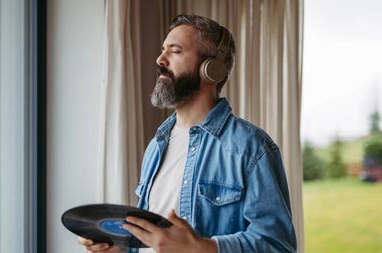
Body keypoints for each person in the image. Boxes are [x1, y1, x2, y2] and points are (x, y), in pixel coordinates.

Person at [78, 14, 297, 253]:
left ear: (210, 68)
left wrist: (203, 248)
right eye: (163, 50)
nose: (160, 59)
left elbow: (278, 245)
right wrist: (120, 250)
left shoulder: (251, 147)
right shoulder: (156, 146)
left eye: (175, 51)